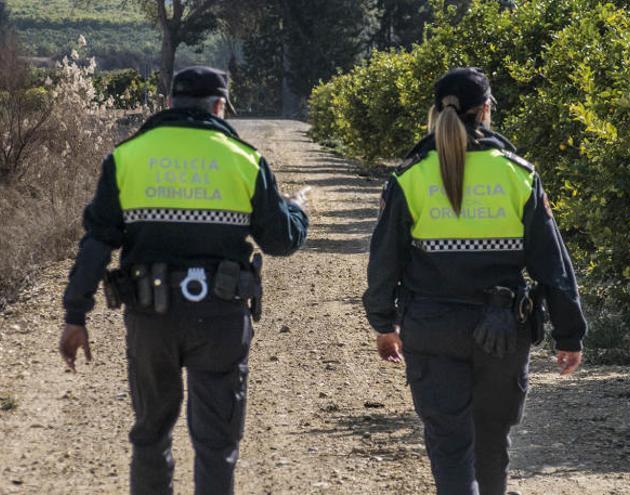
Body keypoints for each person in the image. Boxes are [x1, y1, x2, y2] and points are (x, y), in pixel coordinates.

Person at [58, 66, 309, 495]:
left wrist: (75, 315)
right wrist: (298, 209)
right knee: (216, 442)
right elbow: (281, 240)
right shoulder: (245, 159)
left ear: (170, 103)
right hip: (221, 318)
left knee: (151, 435)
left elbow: (97, 244)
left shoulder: (126, 157)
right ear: (219, 106)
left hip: (150, 319)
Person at [362, 67, 587, 495]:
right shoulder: (518, 174)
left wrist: (383, 323)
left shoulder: (409, 177)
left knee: (449, 447)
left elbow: (384, 261)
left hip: (431, 327)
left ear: (435, 112)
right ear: (485, 110)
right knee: (491, 443)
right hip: (503, 330)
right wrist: (569, 335)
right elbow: (551, 264)